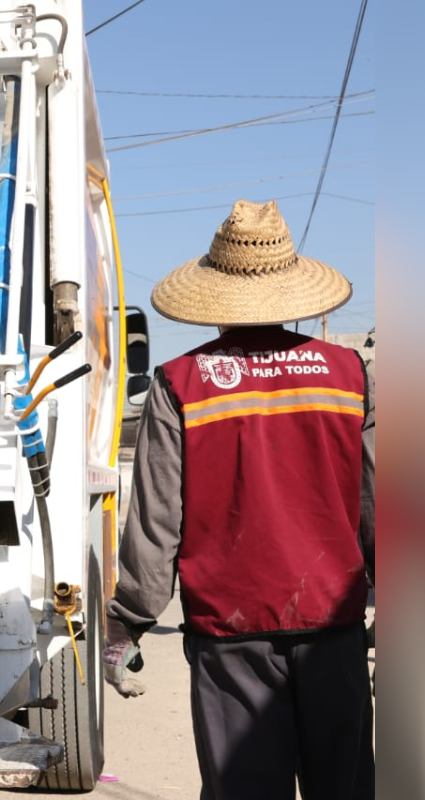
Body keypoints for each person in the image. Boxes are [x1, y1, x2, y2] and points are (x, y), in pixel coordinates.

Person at [102, 199, 374, 800]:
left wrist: (128, 620)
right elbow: (379, 500)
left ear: (216, 297)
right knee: (346, 785)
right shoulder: (350, 374)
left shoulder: (181, 383)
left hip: (230, 631)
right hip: (334, 619)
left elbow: (156, 520)